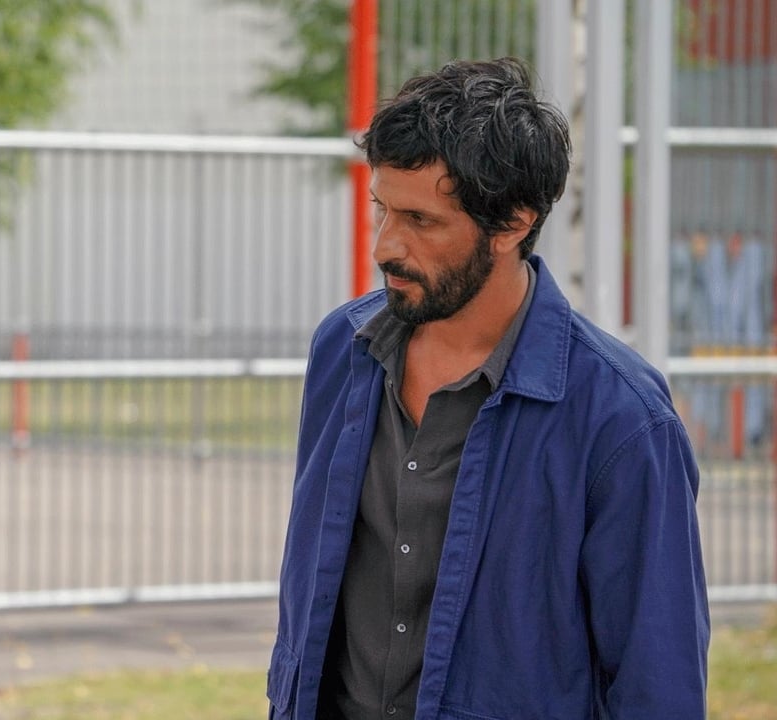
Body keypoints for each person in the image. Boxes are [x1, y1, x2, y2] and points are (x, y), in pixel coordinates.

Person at [267, 58, 709, 720]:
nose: (385, 245)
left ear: (512, 225)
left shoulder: (622, 419)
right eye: (382, 208)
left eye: (421, 220)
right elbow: (308, 602)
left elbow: (658, 683)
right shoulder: (342, 349)